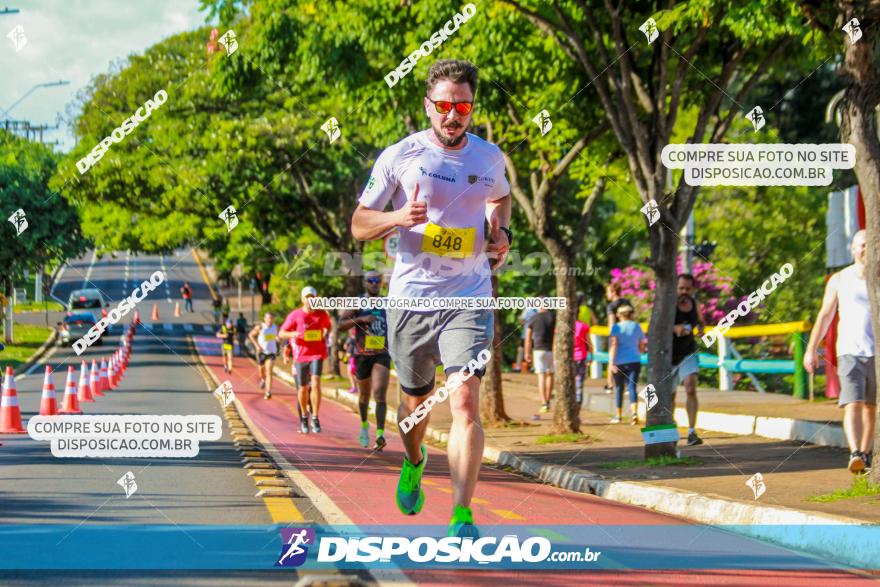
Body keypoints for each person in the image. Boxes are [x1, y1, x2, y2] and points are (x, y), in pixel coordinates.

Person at [350, 59, 511, 538]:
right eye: (443, 106)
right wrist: (398, 218)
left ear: (472, 108)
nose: (452, 115)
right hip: (412, 300)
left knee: (465, 399)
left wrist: (500, 233)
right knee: (414, 407)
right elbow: (360, 225)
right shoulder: (399, 155)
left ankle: (462, 514)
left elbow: (498, 199)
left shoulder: (489, 158)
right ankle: (415, 461)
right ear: (428, 106)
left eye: (461, 106)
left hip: (469, 295)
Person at [805, 230, 875, 473]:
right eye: (862, 245)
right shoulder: (840, 279)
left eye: (870, 244)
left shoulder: (877, 278)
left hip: (876, 352)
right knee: (853, 402)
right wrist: (811, 349)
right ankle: (854, 451)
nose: (866, 249)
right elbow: (825, 315)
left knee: (871, 407)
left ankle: (865, 455)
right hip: (849, 350)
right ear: (853, 249)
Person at [338, 271, 392, 451]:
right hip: (361, 354)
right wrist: (361, 319)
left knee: (379, 393)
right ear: (365, 282)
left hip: (381, 354)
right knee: (364, 395)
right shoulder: (358, 302)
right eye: (371, 280)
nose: (375, 283)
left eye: (378, 280)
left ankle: (380, 434)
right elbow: (340, 325)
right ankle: (363, 426)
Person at [279, 286, 331, 434]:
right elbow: (282, 333)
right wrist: (294, 334)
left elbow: (329, 326)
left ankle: (315, 417)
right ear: (302, 299)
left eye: (312, 297)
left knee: (315, 383)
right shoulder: (295, 315)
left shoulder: (321, 314)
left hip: (317, 353)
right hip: (301, 355)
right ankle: (303, 416)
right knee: (302, 388)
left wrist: (326, 334)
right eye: (307, 297)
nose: (310, 300)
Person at [673, 273, 705, 446]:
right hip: (668, 355)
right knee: (669, 396)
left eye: (687, 288)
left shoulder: (694, 304)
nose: (684, 292)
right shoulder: (669, 304)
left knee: (690, 387)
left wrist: (700, 328)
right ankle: (670, 431)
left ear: (692, 289)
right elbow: (656, 325)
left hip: (688, 352)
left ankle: (692, 431)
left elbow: (700, 321)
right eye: (681, 288)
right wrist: (674, 328)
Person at [607, 304, 645, 424]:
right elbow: (642, 343)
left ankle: (618, 415)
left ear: (619, 315)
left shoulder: (616, 327)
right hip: (634, 360)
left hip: (619, 361)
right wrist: (638, 352)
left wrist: (611, 362)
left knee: (619, 388)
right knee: (632, 387)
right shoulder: (637, 326)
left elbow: (614, 345)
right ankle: (634, 414)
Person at [525, 307, 555, 413]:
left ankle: (544, 403)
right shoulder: (553, 317)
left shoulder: (533, 318)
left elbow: (528, 338)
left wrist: (527, 353)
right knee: (550, 374)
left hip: (538, 350)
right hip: (552, 350)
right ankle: (548, 399)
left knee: (541, 375)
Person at [248, 312, 278, 400]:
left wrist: (279, 341)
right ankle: (262, 379)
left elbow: (277, 336)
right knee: (261, 371)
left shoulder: (275, 327)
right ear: (265, 319)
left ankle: (268, 392)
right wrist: (257, 346)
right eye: (268, 318)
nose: (270, 320)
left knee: (269, 372)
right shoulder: (260, 327)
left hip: (271, 353)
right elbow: (251, 335)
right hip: (262, 352)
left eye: (271, 318)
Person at [573, 303, 593, 405]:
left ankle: (572, 399)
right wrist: (591, 356)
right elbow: (589, 343)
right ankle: (578, 399)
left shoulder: (563, 326)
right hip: (581, 356)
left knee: (570, 379)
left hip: (569, 357)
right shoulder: (583, 326)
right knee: (580, 379)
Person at [517, 307, 538, 373]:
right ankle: (532, 367)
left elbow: (522, 321)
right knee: (533, 350)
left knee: (521, 349)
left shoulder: (527, 310)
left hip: (527, 334)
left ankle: (519, 367)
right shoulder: (538, 310)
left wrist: (520, 319)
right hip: (535, 334)